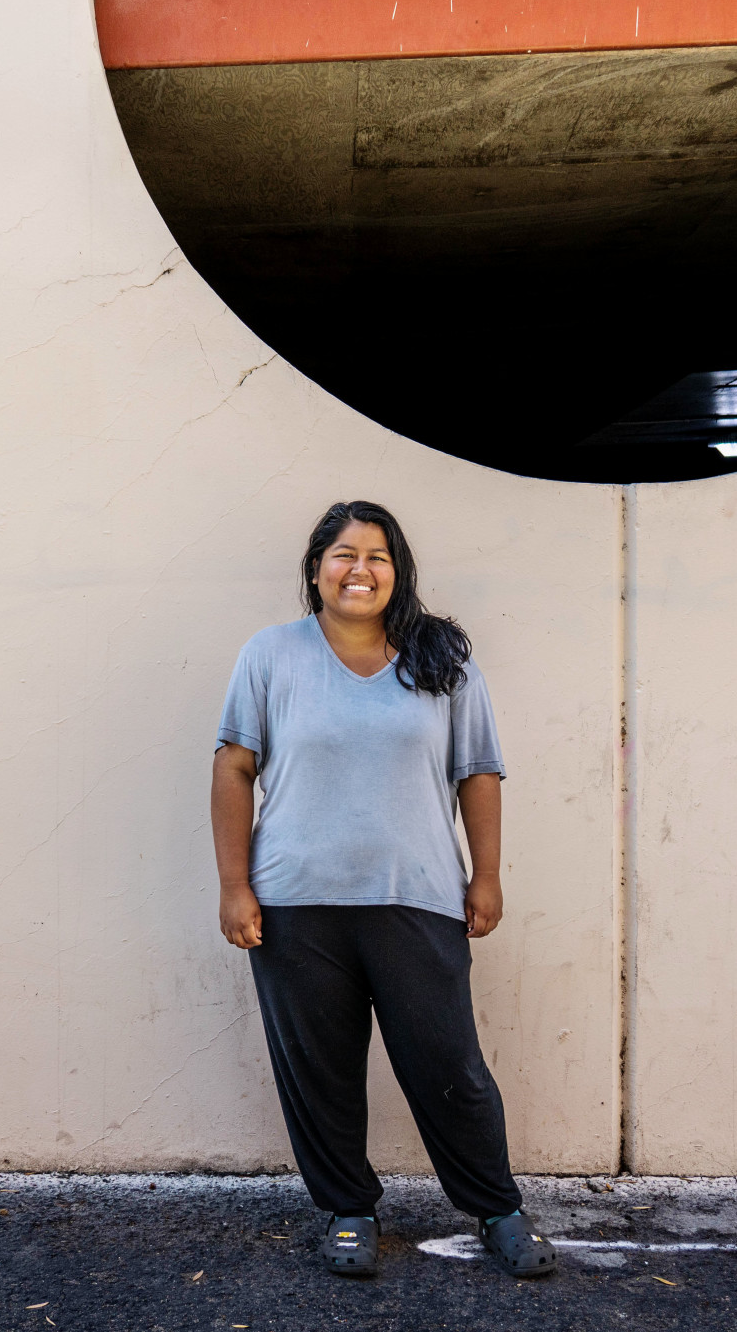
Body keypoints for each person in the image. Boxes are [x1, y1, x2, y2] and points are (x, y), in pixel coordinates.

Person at [210, 500, 558, 1280]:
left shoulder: (441, 658)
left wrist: (488, 873)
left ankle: (497, 1207)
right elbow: (234, 766)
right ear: (315, 568)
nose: (357, 568)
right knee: (321, 1069)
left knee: (449, 1065)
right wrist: (235, 885)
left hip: (418, 895)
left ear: (397, 571)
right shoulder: (271, 655)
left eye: (376, 555)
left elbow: (479, 768)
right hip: (296, 904)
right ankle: (347, 1210)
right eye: (341, 553)